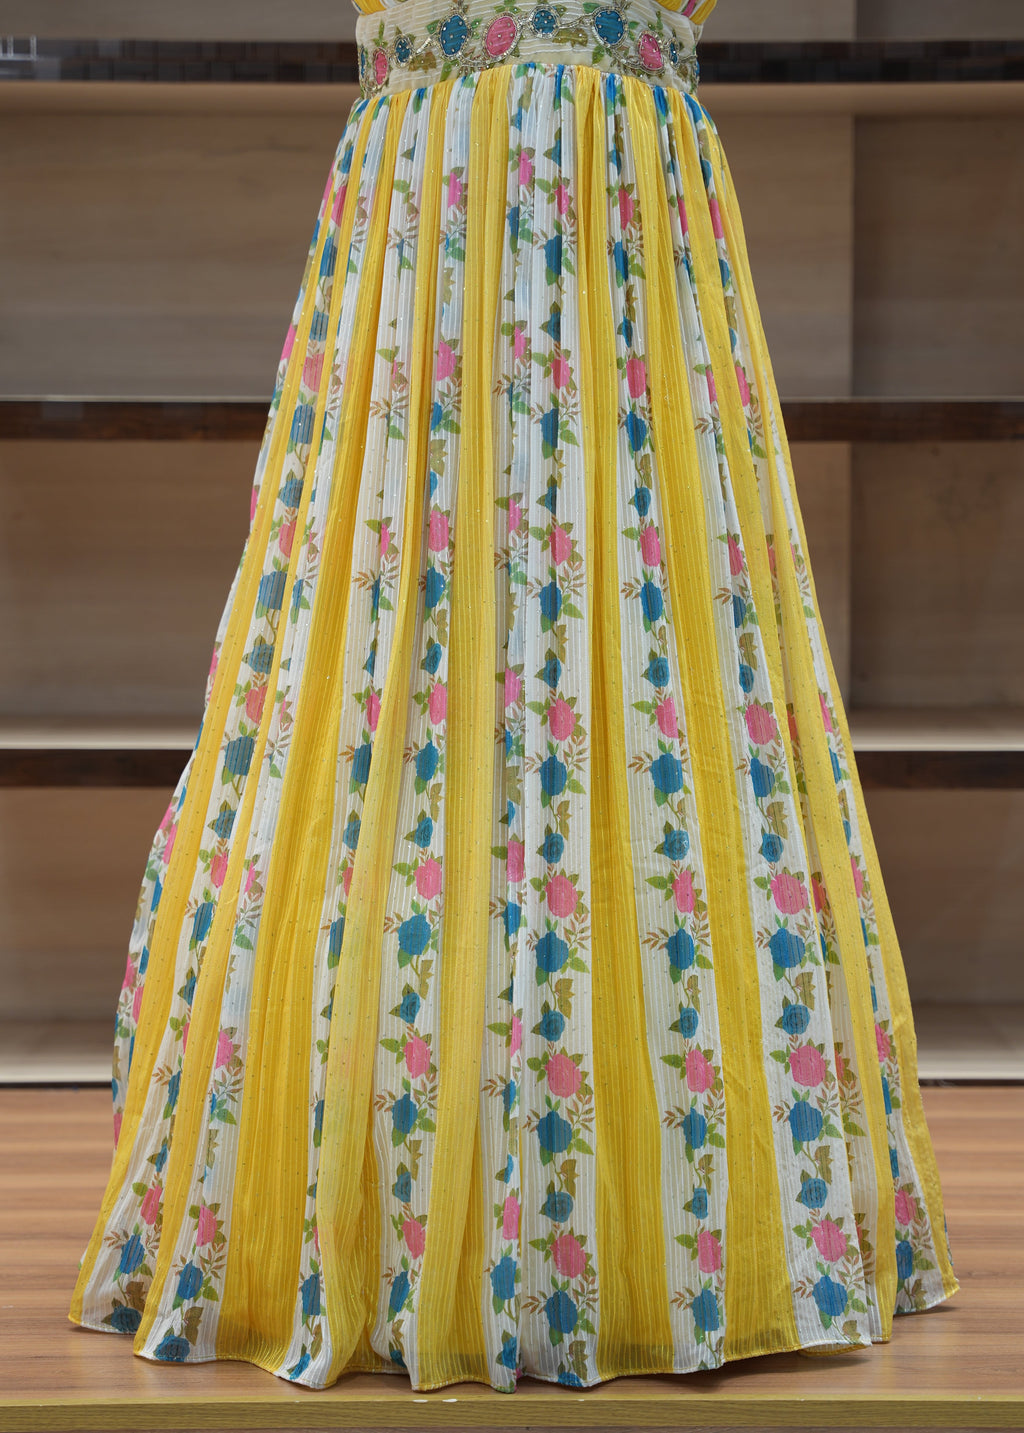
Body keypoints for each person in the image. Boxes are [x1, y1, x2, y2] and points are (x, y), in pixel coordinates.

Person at [68, 0, 958, 1392]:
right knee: (391, 659)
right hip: (433, 226)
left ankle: (640, 1208)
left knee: (642, 638)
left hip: (613, 228)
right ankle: (415, 1198)